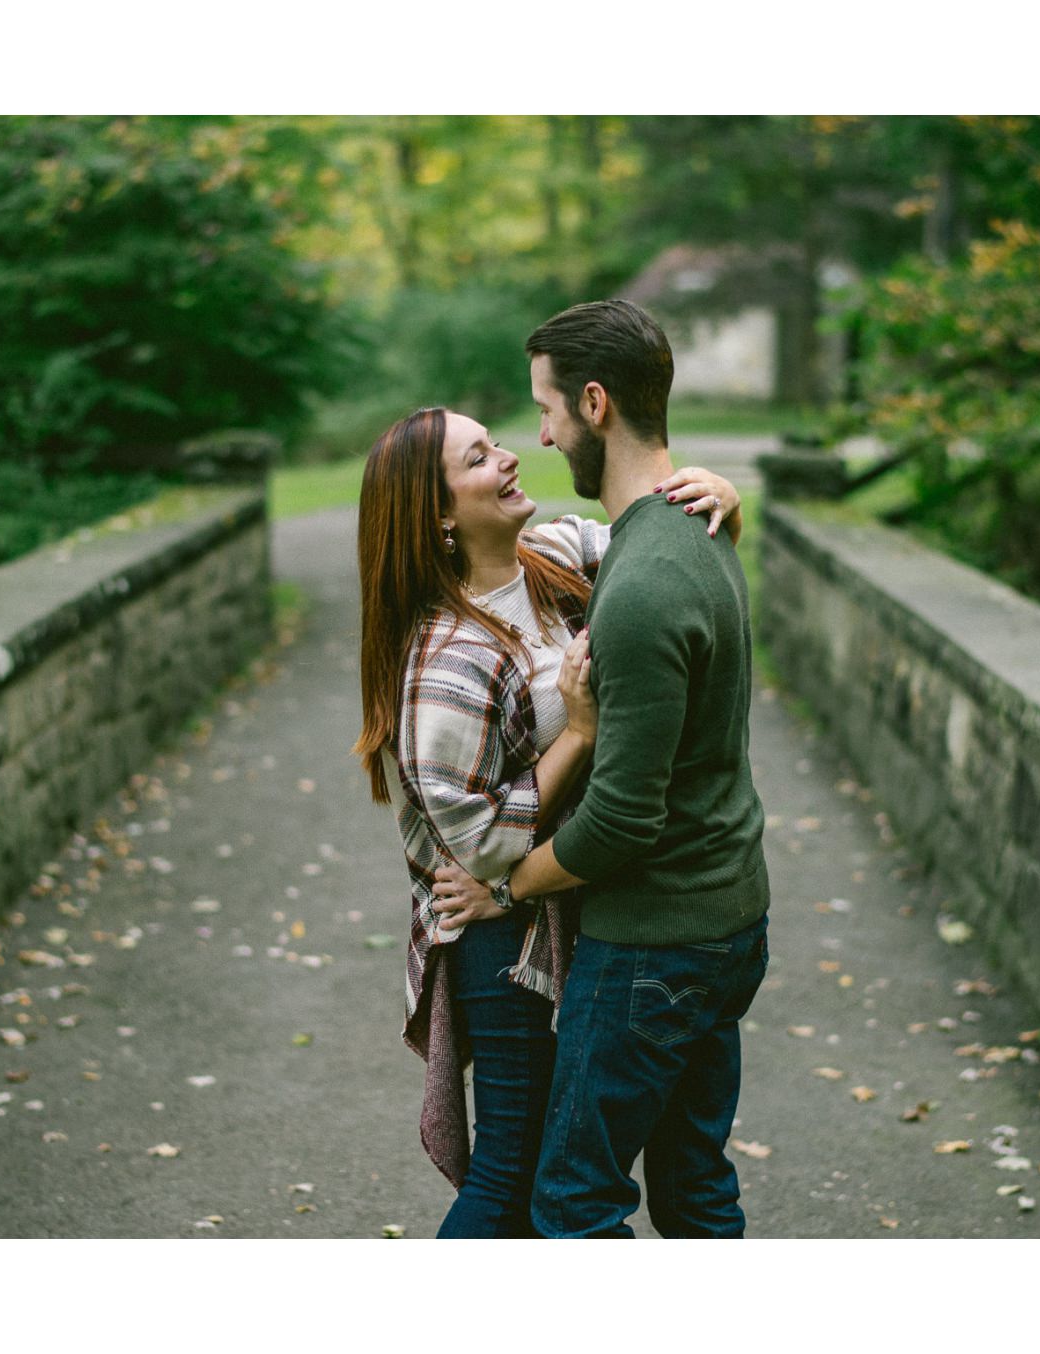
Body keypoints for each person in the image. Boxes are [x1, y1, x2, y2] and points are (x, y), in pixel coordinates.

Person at [353, 404, 743, 1237]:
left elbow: (654, 553)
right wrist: (584, 735)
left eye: (496, 442)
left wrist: (719, 495)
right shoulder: (446, 664)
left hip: (557, 901)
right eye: (478, 460)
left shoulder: (553, 557)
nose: (508, 459)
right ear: (439, 515)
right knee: (510, 1174)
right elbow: (482, 844)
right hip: (500, 941)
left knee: (543, 1178)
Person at [433, 300, 771, 1238]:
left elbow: (625, 822)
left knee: (573, 1202)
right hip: (726, 918)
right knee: (697, 1189)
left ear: (594, 404)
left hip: (655, 946)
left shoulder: (646, 579)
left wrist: (510, 890)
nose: (537, 438)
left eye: (545, 411)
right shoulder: (685, 533)